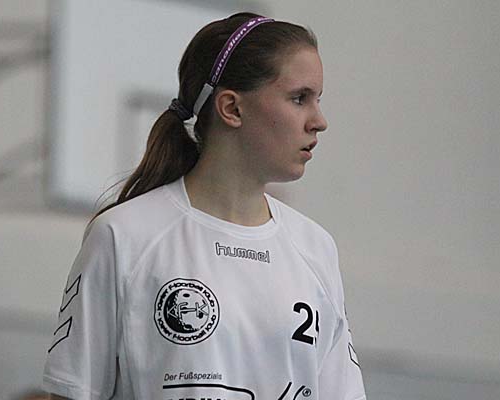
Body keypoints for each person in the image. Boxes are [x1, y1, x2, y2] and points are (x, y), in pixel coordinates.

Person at [42, 12, 366, 400]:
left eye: (318, 100)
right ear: (232, 108)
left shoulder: (316, 248)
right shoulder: (123, 236)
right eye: (299, 98)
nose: (319, 121)